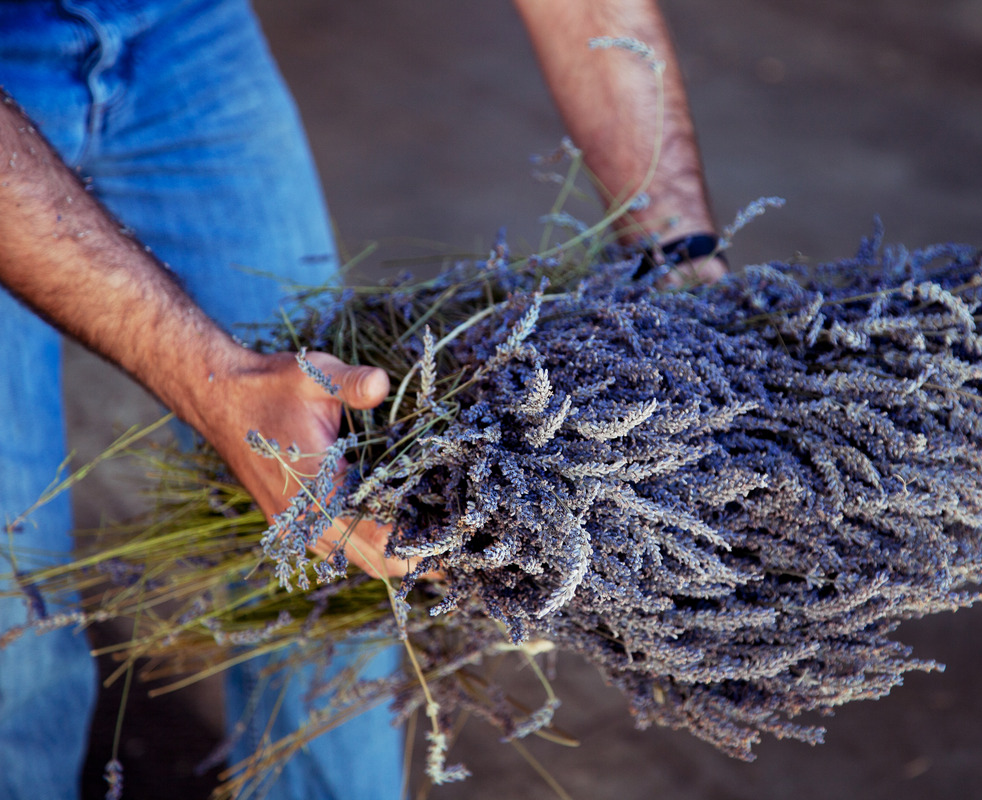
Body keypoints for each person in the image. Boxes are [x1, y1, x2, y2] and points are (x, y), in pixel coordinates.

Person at [0, 1, 724, 798]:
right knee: (15, 632)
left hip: (181, 25)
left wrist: (680, 257)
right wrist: (220, 386)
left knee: (340, 546)